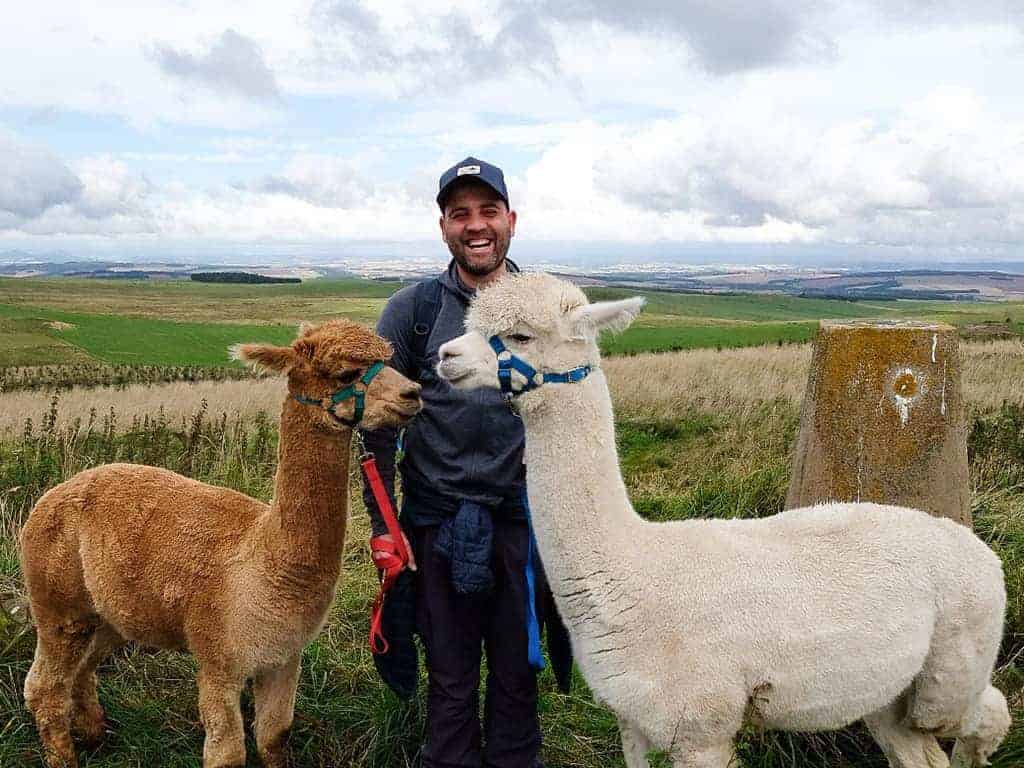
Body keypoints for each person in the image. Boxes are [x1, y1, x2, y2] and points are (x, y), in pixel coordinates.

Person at [361, 157, 560, 768]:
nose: (476, 226)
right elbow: (377, 432)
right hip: (434, 523)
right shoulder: (413, 311)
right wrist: (385, 527)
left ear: (511, 221)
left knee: (516, 676)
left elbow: (573, 414)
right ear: (443, 227)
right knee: (447, 678)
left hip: (522, 521)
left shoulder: (546, 310)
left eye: (488, 212)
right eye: (460, 214)